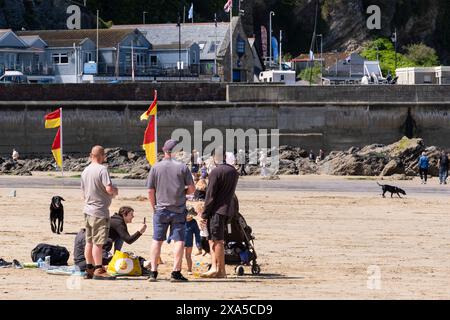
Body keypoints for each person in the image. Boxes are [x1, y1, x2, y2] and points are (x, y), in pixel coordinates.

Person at [146, 139, 196, 282]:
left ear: (164, 150)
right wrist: (182, 191)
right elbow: (192, 189)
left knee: (157, 240)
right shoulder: (182, 167)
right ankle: (175, 272)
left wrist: (153, 206)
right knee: (179, 240)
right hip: (178, 209)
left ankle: (153, 272)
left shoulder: (155, 167)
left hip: (160, 209)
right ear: (176, 152)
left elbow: (150, 190)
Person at [200, 147, 239, 278]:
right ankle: (216, 268)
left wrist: (204, 214)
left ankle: (221, 271)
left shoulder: (215, 172)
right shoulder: (233, 171)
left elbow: (210, 196)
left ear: (215, 158)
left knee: (217, 240)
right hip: (229, 210)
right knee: (215, 239)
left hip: (217, 210)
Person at [81, 145, 118, 280]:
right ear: (102, 156)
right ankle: (98, 269)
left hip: (88, 210)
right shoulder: (102, 170)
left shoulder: (85, 171)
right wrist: (115, 190)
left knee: (89, 241)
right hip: (99, 210)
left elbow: (83, 193)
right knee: (98, 242)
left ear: (91, 155)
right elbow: (108, 189)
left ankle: (89, 268)